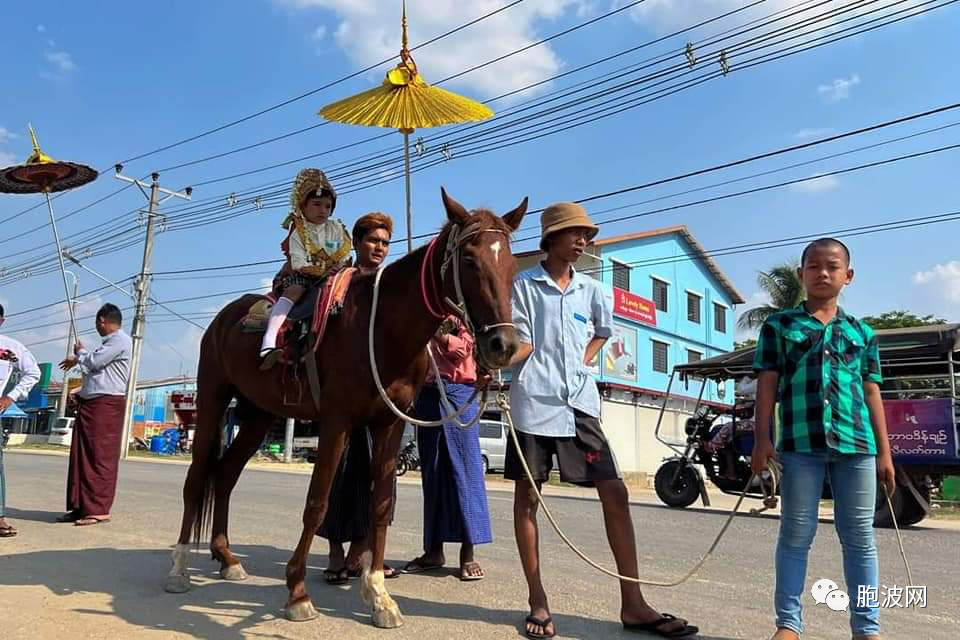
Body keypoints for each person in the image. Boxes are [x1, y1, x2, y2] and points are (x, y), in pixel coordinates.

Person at [506, 202, 698, 639]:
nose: (582, 242)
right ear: (550, 238)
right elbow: (521, 341)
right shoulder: (523, 287)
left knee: (614, 492)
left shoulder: (593, 290)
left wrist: (583, 364)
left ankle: (633, 603)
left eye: (587, 236)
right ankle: (537, 600)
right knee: (527, 500)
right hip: (532, 402)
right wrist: (499, 360)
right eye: (575, 234)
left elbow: (602, 332)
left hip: (579, 403)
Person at [752, 238, 893, 640]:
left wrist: (886, 453)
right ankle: (788, 626)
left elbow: (871, 393)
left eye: (832, 266)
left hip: (857, 447)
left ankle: (867, 629)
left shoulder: (862, 333)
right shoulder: (779, 325)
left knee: (860, 539)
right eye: (813, 266)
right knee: (796, 535)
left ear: (848, 276)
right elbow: (767, 385)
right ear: (801, 275)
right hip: (800, 446)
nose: (822, 273)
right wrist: (763, 440)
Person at [317, 212, 401, 583]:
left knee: (382, 479)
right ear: (357, 243)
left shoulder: (394, 284)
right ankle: (335, 554)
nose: (379, 248)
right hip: (346, 397)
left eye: (384, 242)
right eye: (373, 241)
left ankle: (364, 552)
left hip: (384, 399)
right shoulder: (342, 283)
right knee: (341, 477)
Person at [404, 314, 492, 581]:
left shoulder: (463, 313)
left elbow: (461, 350)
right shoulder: (423, 308)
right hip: (428, 394)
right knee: (432, 474)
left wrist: (438, 333)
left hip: (459, 392)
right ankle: (433, 551)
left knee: (466, 474)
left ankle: (468, 555)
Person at [260, 168, 352, 370]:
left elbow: (344, 253)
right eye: (317, 204)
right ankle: (269, 341)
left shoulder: (336, 228)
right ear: (304, 205)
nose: (323, 210)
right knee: (295, 291)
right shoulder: (298, 230)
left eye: (328, 206)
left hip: (335, 276)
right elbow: (299, 263)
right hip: (303, 277)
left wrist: (339, 267)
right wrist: (319, 270)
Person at [58, 303, 133, 526]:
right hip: (91, 404)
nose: (97, 328)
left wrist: (79, 354)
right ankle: (80, 506)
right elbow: (98, 372)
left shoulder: (120, 340)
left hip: (106, 406)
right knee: (82, 457)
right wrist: (80, 389)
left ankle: (98, 509)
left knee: (99, 457)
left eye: (97, 323)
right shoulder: (107, 344)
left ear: (102, 321)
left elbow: (94, 361)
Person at [0, 304, 41, 538]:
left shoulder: (11, 347)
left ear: (2, 321)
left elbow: (33, 373)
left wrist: (10, 396)